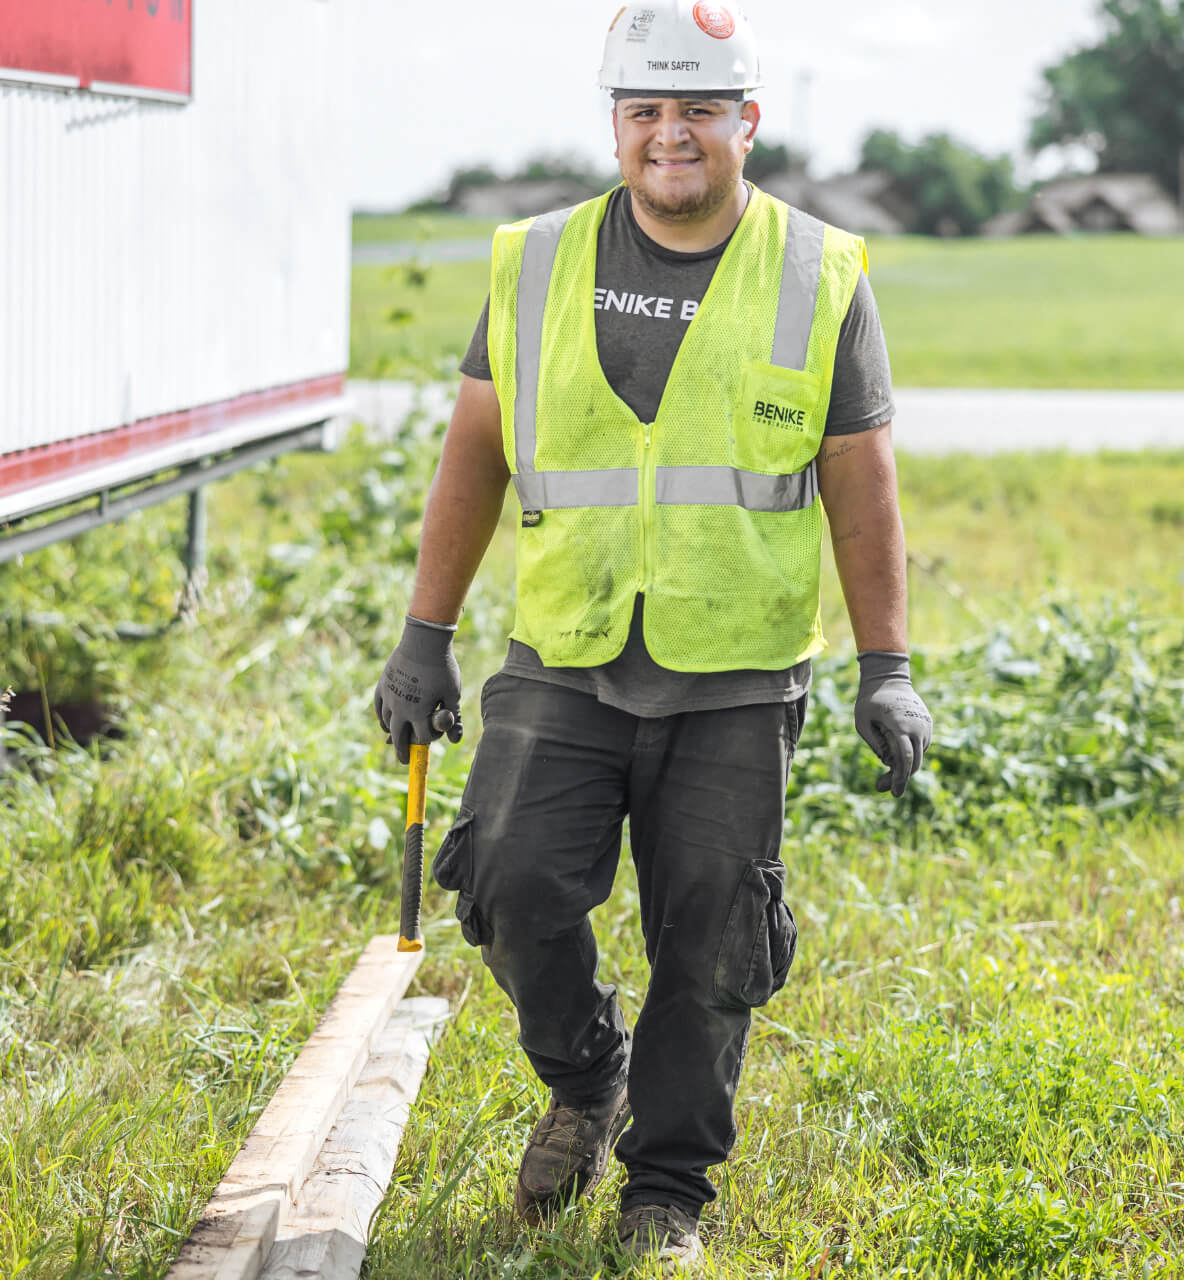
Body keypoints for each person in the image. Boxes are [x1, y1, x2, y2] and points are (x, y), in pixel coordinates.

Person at [372, 1, 933, 1266]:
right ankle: (586, 1076)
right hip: (563, 650)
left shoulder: (818, 270)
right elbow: (476, 451)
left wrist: (886, 666)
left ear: (746, 121)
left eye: (695, 111)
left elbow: (863, 477)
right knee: (508, 879)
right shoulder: (537, 257)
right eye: (644, 112)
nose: (669, 137)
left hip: (735, 669)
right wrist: (425, 633)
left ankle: (667, 1188)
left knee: (710, 936)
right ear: (615, 122)